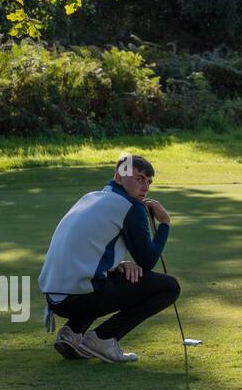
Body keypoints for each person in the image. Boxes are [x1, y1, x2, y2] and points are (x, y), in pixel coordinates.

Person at [38, 154, 178, 363]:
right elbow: (147, 261)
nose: (145, 187)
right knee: (170, 287)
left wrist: (118, 265)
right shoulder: (130, 206)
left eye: (149, 182)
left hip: (55, 299)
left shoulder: (91, 197)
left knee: (113, 278)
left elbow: (88, 250)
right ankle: (104, 338)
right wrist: (165, 223)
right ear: (119, 177)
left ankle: (73, 332)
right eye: (139, 178)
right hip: (78, 297)